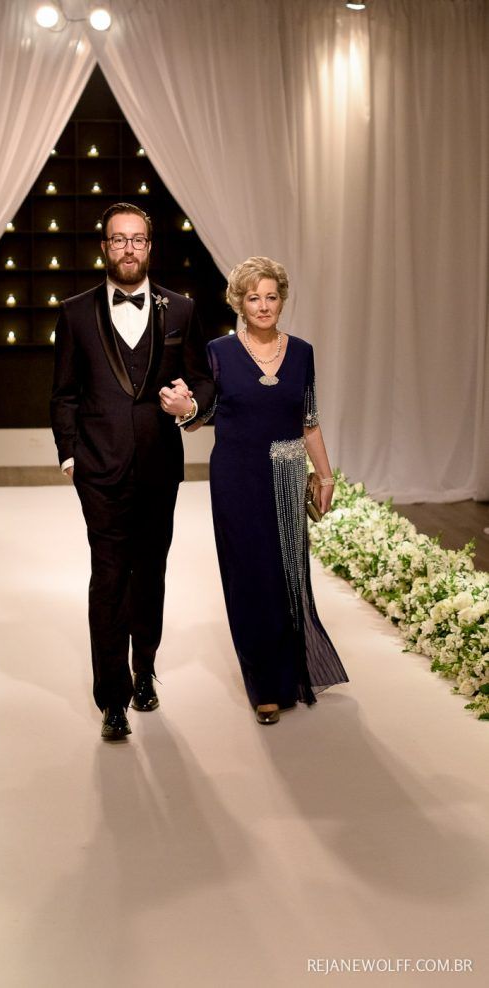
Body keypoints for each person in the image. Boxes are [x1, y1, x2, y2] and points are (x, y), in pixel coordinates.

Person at [50, 202, 215, 741]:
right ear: (105, 247)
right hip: (98, 468)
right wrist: (70, 455)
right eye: (119, 239)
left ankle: (144, 668)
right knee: (108, 576)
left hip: (159, 465)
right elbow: (64, 392)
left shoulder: (181, 309)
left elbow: (203, 380)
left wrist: (190, 406)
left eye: (137, 239)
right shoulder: (75, 312)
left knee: (150, 573)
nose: (128, 248)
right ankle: (112, 698)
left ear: (149, 246)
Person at [192, 256, 348, 724]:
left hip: (286, 475)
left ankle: (288, 674)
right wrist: (183, 408)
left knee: (286, 577)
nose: (263, 306)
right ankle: (263, 685)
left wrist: (324, 476)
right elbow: (200, 416)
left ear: (282, 300)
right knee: (249, 577)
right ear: (238, 302)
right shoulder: (218, 352)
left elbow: (309, 421)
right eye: (253, 297)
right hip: (235, 478)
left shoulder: (301, 352)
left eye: (271, 297)